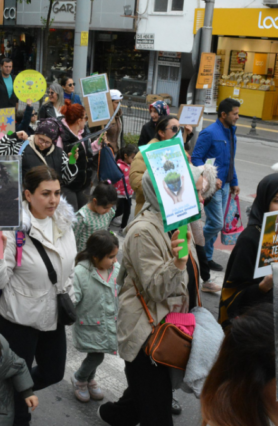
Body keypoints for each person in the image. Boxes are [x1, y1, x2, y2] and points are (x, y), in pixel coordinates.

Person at [0, 165, 75, 426]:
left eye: (57, 192)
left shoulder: (64, 222)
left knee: (54, 372)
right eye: (45, 193)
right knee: (20, 395)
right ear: (27, 194)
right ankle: (16, 405)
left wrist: (72, 294)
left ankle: (7, 391)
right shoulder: (11, 228)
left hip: (52, 314)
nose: (53, 200)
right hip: (18, 319)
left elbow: (69, 268)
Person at [97, 172, 195, 426]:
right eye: (172, 188)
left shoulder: (177, 221)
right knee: (156, 410)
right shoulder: (143, 231)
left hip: (169, 324)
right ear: (156, 192)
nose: (180, 193)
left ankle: (117, 415)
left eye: (182, 186)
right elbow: (155, 288)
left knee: (147, 390)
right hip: (145, 330)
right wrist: (177, 263)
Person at [218, 173, 278, 330]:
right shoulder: (250, 239)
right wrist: (262, 287)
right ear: (265, 202)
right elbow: (231, 298)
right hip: (255, 330)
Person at [68, 230, 120, 403]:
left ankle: (89, 379)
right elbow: (73, 299)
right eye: (111, 257)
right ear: (96, 256)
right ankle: (80, 378)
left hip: (107, 322)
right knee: (97, 355)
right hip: (90, 324)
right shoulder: (80, 273)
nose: (115, 261)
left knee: (98, 353)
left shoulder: (115, 269)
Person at [192, 98, 241, 272]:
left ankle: (207, 257)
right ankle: (196, 246)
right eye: (234, 114)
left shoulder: (231, 133)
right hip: (213, 187)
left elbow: (230, 161)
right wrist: (211, 177)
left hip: (226, 186)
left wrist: (234, 182)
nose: (237, 117)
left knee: (214, 222)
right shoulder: (209, 133)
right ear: (223, 114)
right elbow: (196, 159)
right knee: (217, 224)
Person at [130, 114, 193, 214]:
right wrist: (162, 190)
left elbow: (191, 175)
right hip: (150, 211)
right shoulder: (146, 153)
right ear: (161, 132)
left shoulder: (180, 151)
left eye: (179, 129)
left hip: (177, 210)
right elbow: (136, 181)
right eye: (174, 129)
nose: (178, 132)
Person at [0, 120, 78, 187]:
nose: (43, 144)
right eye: (41, 139)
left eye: (47, 142)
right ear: (36, 134)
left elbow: (67, 179)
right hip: (26, 198)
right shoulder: (21, 148)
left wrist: (72, 162)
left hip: (50, 200)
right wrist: (15, 136)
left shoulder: (60, 153)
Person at [58, 100, 91, 211]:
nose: (87, 121)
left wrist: (98, 144)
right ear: (79, 121)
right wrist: (69, 160)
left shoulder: (83, 133)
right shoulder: (62, 137)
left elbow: (86, 154)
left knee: (83, 214)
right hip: (67, 185)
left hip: (82, 183)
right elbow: (57, 161)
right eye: (85, 118)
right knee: (72, 216)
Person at [72, 182, 118, 252]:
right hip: (84, 256)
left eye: (111, 207)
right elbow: (73, 240)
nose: (108, 210)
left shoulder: (109, 213)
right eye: (105, 207)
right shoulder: (82, 217)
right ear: (95, 201)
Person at [112, 144, 137, 231]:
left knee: (128, 211)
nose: (133, 160)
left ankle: (123, 227)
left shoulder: (130, 166)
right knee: (120, 210)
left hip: (128, 194)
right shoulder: (119, 166)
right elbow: (115, 179)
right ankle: (108, 219)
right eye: (132, 157)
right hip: (120, 194)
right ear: (125, 156)